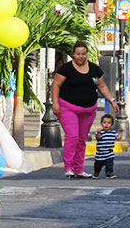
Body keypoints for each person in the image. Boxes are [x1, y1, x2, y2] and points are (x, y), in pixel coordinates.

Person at [51, 40, 119, 178]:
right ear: (73, 54)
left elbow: (102, 86)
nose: (81, 57)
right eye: (78, 54)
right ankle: (68, 168)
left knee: (82, 139)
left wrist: (112, 100)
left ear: (86, 54)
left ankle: (79, 169)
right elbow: (56, 84)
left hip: (88, 110)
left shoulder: (94, 69)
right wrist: (55, 103)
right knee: (73, 137)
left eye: (83, 54)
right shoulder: (66, 69)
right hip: (68, 107)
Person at [93, 114, 123, 179]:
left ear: (112, 125)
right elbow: (98, 138)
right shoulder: (100, 132)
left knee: (109, 164)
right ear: (101, 124)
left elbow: (118, 138)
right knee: (97, 165)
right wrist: (98, 133)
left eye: (109, 123)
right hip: (100, 154)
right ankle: (96, 172)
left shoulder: (113, 132)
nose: (106, 124)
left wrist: (120, 133)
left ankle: (109, 173)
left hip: (109, 153)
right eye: (104, 122)